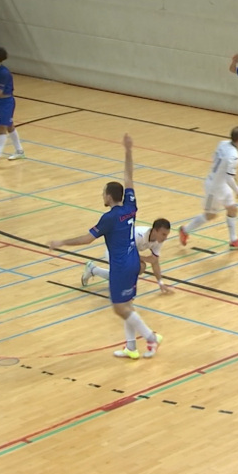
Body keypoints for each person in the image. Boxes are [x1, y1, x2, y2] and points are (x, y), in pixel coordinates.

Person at [49, 134, 162, 360]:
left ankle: (151, 338)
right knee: (127, 306)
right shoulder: (131, 205)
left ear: (109, 197)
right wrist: (128, 150)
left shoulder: (109, 218)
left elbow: (87, 239)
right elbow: (129, 177)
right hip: (133, 261)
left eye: (103, 193)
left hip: (120, 266)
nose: (102, 195)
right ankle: (131, 347)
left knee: (120, 309)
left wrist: (61, 242)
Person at [178, 126, 238, 249]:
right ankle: (185, 230)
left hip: (222, 186)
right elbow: (229, 178)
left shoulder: (223, 143)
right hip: (214, 188)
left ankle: (233, 240)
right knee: (210, 215)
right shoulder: (234, 156)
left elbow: (215, 158)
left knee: (232, 209)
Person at [82, 218, 172, 294]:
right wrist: (146, 259)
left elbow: (155, 262)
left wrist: (161, 283)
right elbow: (127, 252)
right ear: (155, 230)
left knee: (140, 267)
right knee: (126, 274)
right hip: (114, 251)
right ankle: (94, 270)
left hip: (127, 254)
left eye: (167, 235)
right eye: (163, 234)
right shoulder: (138, 234)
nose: (165, 238)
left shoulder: (158, 241)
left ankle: (93, 269)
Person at [0, 47, 25, 165]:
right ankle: (19, 151)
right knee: (9, 126)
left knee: (1, 127)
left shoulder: (3, 73)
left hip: (6, 103)